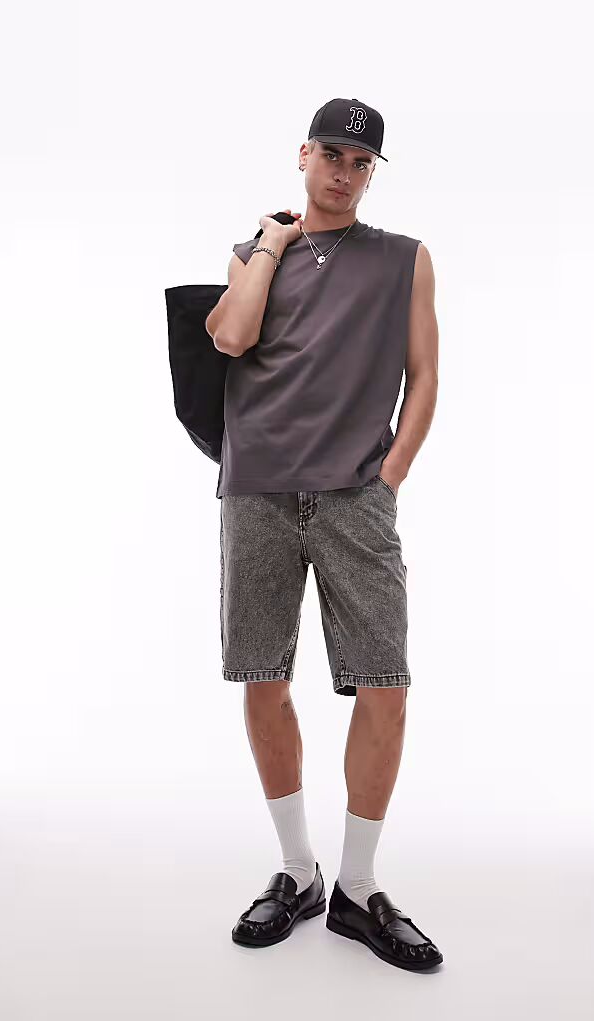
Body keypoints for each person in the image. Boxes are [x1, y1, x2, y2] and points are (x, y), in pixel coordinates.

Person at [205, 98, 441, 971]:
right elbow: (231, 335)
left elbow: (425, 374)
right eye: (332, 155)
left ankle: (358, 883)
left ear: (371, 173)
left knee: (385, 683)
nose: (344, 172)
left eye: (360, 162)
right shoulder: (253, 251)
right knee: (263, 677)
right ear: (303, 154)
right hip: (258, 491)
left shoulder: (404, 258)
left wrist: (391, 472)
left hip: (355, 496)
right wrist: (270, 244)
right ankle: (298, 870)